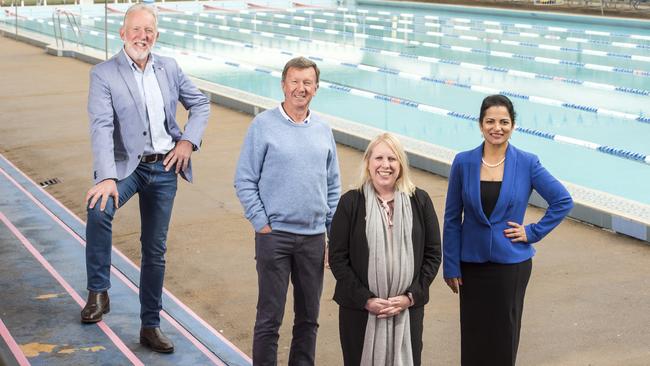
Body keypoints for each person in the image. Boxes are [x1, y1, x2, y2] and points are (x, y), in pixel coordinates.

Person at [81, 3, 210, 354]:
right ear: (123, 34)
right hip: (126, 167)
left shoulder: (169, 68)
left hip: (165, 168)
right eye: (136, 30)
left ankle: (150, 325)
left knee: (155, 250)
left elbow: (201, 104)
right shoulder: (104, 74)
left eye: (149, 30)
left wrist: (187, 141)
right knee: (99, 208)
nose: (143, 36)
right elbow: (101, 127)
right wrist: (106, 176)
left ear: (156, 34)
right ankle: (98, 290)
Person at [443, 95, 573, 365]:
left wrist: (532, 232)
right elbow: (452, 217)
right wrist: (451, 264)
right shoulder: (463, 162)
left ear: (513, 126)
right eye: (490, 121)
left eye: (504, 122)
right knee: (473, 334)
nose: (496, 127)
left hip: (510, 265)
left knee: (504, 335)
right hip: (471, 264)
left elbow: (562, 201)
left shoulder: (527, 163)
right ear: (480, 125)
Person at [234, 56, 341, 365]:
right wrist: (261, 223)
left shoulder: (323, 129)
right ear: (283, 85)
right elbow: (244, 179)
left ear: (316, 88)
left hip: (313, 239)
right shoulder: (263, 125)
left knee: (309, 319)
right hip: (275, 237)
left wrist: (332, 236)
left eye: (307, 82)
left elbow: (333, 186)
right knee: (269, 318)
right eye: (294, 81)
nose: (300, 88)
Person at [329, 133, 442, 366]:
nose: (385, 165)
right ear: (368, 163)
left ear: (401, 164)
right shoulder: (351, 203)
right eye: (379, 158)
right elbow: (338, 259)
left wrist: (409, 297)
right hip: (359, 311)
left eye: (392, 158)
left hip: (407, 311)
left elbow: (433, 255)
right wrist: (366, 299)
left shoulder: (419, 201)